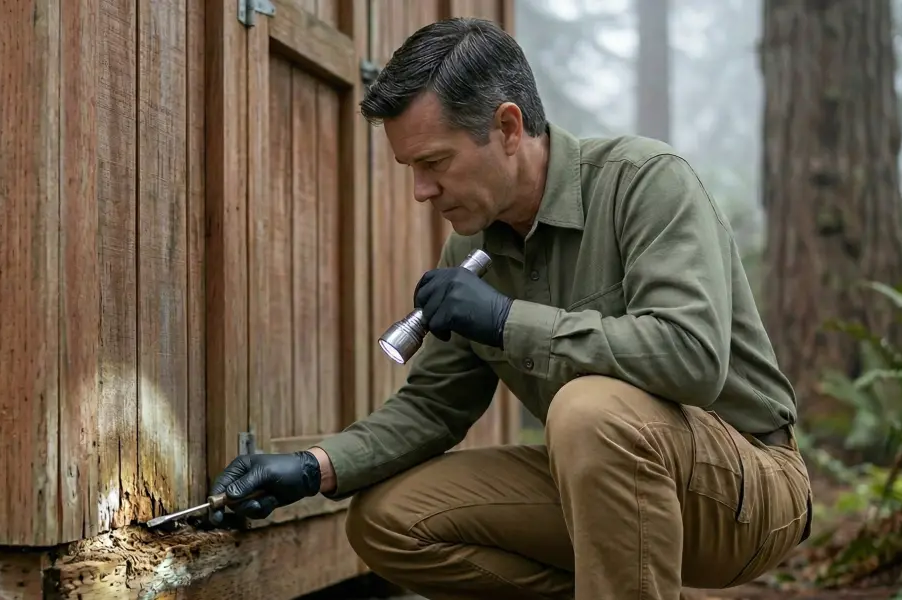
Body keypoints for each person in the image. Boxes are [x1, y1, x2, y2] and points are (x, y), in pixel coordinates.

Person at [207, 16, 812, 600]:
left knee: (587, 408)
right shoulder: (472, 246)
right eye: (409, 168)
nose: (421, 191)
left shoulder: (646, 182)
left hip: (746, 489)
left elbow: (692, 358)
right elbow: (433, 406)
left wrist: (504, 320)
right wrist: (312, 469)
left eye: (434, 162)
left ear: (508, 127)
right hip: (607, 485)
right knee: (389, 520)